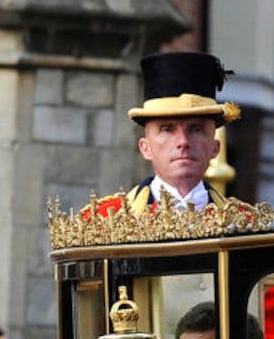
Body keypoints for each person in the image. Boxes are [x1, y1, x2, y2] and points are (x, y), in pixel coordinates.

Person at [94, 52, 241, 216]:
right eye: (167, 129)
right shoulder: (103, 220)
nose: (183, 141)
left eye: (196, 129)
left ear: (215, 148)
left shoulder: (246, 224)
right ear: (145, 147)